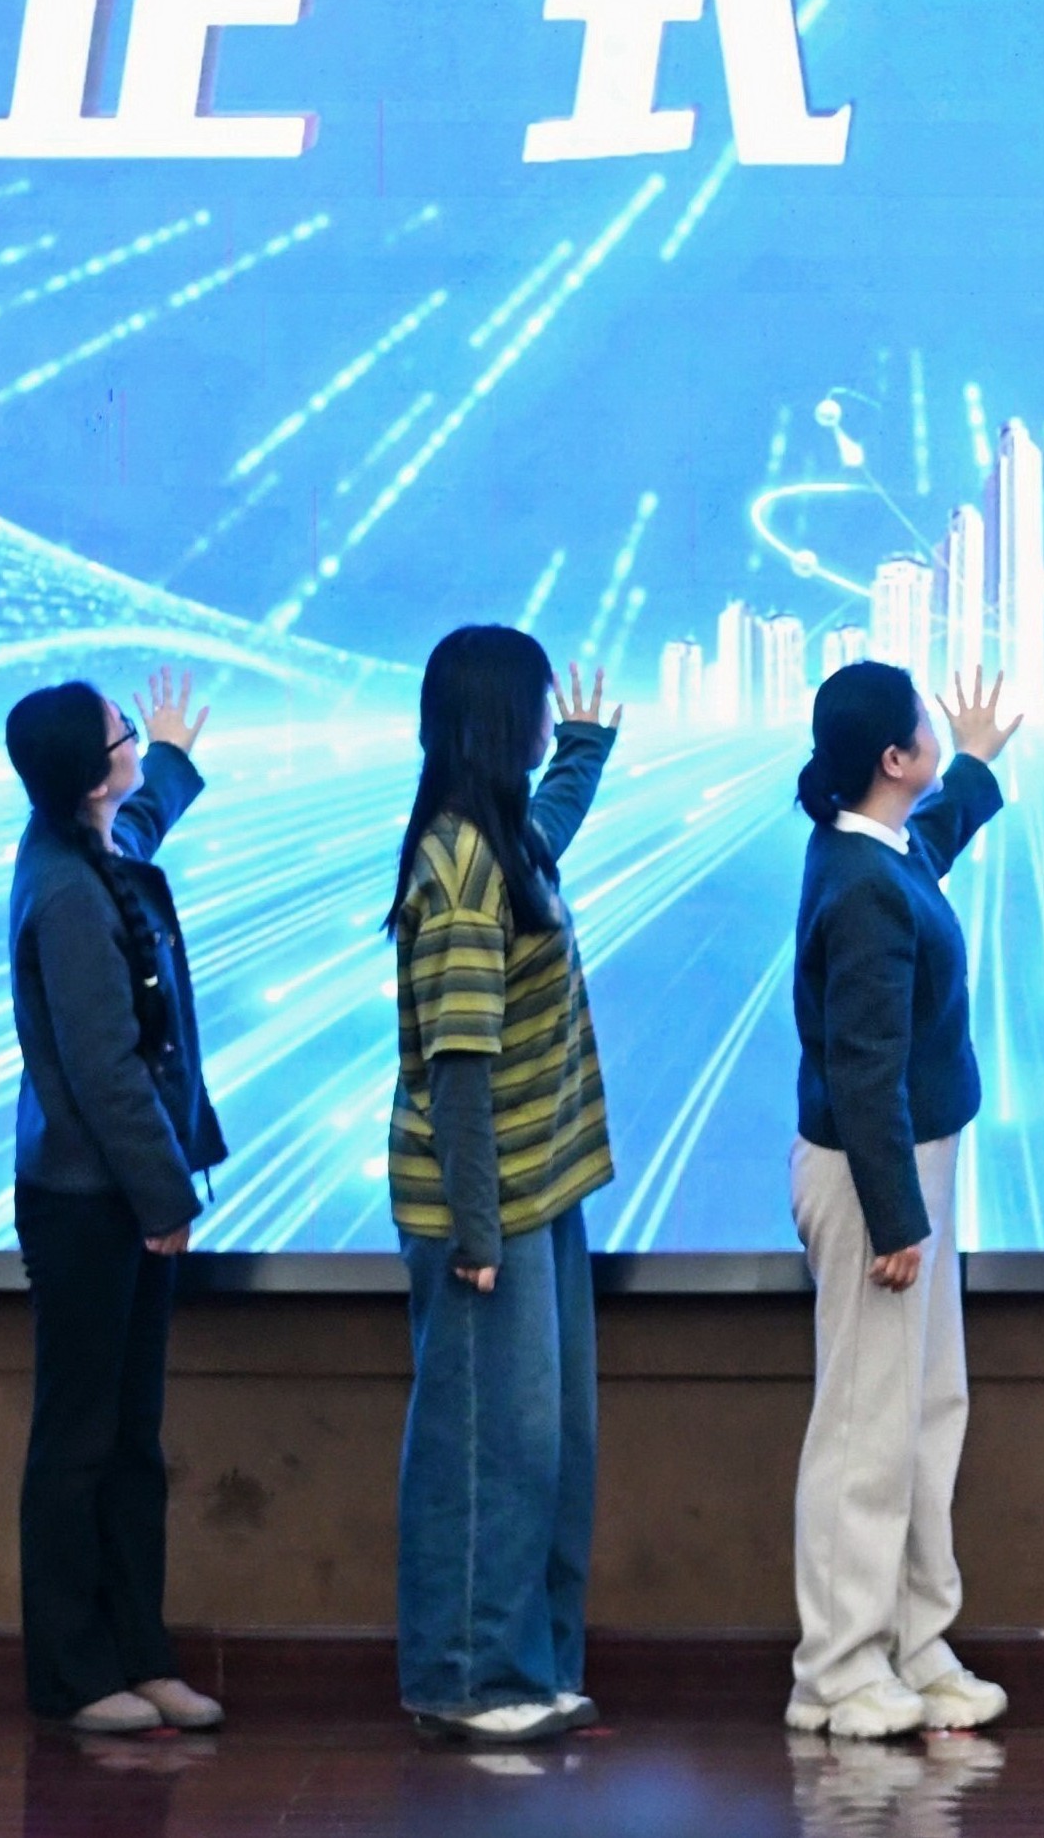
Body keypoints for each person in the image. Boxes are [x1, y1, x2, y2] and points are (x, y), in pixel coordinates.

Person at [384, 626, 623, 1747]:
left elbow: (548, 836)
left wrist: (584, 749)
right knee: (488, 1452)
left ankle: (531, 1665)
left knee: (549, 1448)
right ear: (496, 718)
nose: (544, 714)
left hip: (539, 1194)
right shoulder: (461, 866)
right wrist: (476, 1233)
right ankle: (468, 1679)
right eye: (536, 704)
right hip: (487, 1214)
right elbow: (459, 1071)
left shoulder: (501, 838)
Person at [786, 661, 1019, 1743]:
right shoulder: (860, 882)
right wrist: (895, 1220)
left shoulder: (875, 849)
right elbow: (862, 1066)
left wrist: (974, 764)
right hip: (874, 1177)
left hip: (914, 1165)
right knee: (865, 1429)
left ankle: (914, 1645)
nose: (933, 729)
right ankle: (836, 1671)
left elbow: (932, 840)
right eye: (925, 727)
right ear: (892, 758)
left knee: (926, 1412)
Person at [5, 670, 230, 1737]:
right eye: (126, 735)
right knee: (81, 1441)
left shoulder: (91, 847)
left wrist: (174, 759)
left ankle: (141, 1655)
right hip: (88, 1204)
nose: (134, 740)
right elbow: (104, 1070)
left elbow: (137, 826)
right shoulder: (63, 891)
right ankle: (73, 1671)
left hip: (122, 1197)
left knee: (131, 1440)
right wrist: (164, 1195)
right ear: (89, 776)